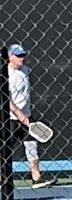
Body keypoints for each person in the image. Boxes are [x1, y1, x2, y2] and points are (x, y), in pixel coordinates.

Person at [8, 44, 47, 188]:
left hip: (27, 117)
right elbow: (5, 99)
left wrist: (26, 116)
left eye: (23, 55)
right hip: (10, 119)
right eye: (18, 56)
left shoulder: (25, 70)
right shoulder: (5, 74)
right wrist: (19, 114)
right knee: (4, 150)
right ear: (10, 57)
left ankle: (37, 178)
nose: (22, 58)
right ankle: (3, 178)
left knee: (32, 146)